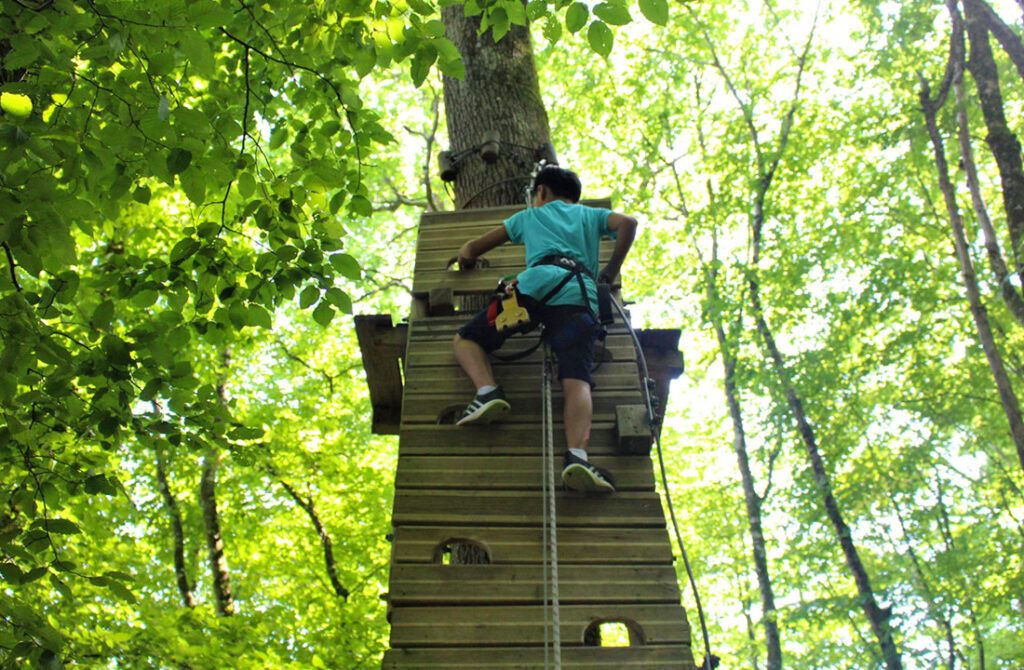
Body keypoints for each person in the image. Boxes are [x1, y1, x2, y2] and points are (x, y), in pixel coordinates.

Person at [451, 165, 638, 494]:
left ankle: (487, 392)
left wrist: (465, 259)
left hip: (532, 290)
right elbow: (629, 223)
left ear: (541, 192)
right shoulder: (589, 216)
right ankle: (577, 456)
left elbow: (473, 248)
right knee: (577, 380)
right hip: (580, 299)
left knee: (466, 340)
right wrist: (609, 271)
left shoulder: (528, 217)